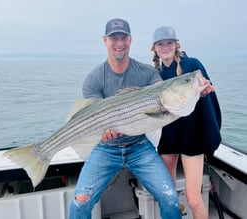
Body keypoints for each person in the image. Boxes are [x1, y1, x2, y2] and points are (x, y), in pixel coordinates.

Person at [69, 19, 182, 219]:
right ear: (105, 40)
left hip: (140, 146)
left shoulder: (148, 73)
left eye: (123, 38)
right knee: (79, 204)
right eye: (114, 38)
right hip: (105, 148)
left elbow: (165, 93)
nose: (119, 43)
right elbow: (93, 118)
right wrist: (105, 132)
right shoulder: (94, 78)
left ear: (130, 41)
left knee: (170, 198)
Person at [151, 26, 222, 219]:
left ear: (176, 44)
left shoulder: (192, 64)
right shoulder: (154, 74)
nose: (165, 47)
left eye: (169, 42)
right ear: (154, 48)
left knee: (194, 199)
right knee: (168, 196)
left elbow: (209, 89)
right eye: (161, 44)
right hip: (168, 138)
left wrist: (207, 90)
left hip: (192, 137)